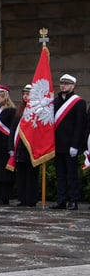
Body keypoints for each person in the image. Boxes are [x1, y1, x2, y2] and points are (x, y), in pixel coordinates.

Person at [53, 74, 86, 210]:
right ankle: (61, 200)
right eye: (61, 83)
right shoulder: (55, 101)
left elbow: (79, 126)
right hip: (57, 144)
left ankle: (73, 200)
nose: (63, 86)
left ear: (72, 86)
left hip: (70, 145)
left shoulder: (79, 102)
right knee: (60, 174)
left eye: (66, 84)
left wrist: (75, 145)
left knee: (71, 174)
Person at [11, 84, 37, 207]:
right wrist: (11, 147)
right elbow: (13, 131)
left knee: (31, 175)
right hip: (19, 148)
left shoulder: (36, 111)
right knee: (21, 175)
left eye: (28, 94)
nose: (26, 96)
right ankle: (22, 198)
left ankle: (31, 199)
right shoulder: (19, 110)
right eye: (24, 94)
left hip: (31, 148)